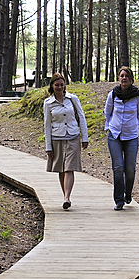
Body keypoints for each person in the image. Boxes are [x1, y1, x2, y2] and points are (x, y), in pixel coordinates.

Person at [43, 73, 89, 210]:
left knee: (69, 167)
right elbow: (46, 125)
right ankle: (65, 197)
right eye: (57, 85)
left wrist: (84, 137)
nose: (59, 87)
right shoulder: (48, 103)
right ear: (52, 86)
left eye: (62, 85)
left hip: (73, 136)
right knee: (61, 169)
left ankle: (67, 197)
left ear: (65, 86)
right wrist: (48, 146)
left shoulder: (72, 99)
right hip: (57, 138)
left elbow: (81, 117)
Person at [104, 66, 139, 211]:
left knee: (130, 168)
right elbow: (107, 111)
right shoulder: (113, 94)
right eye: (122, 75)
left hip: (131, 135)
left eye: (127, 75)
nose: (124, 78)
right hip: (114, 135)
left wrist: (133, 125)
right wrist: (109, 127)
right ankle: (119, 200)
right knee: (118, 167)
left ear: (131, 78)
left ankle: (128, 193)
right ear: (118, 78)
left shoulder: (138, 95)